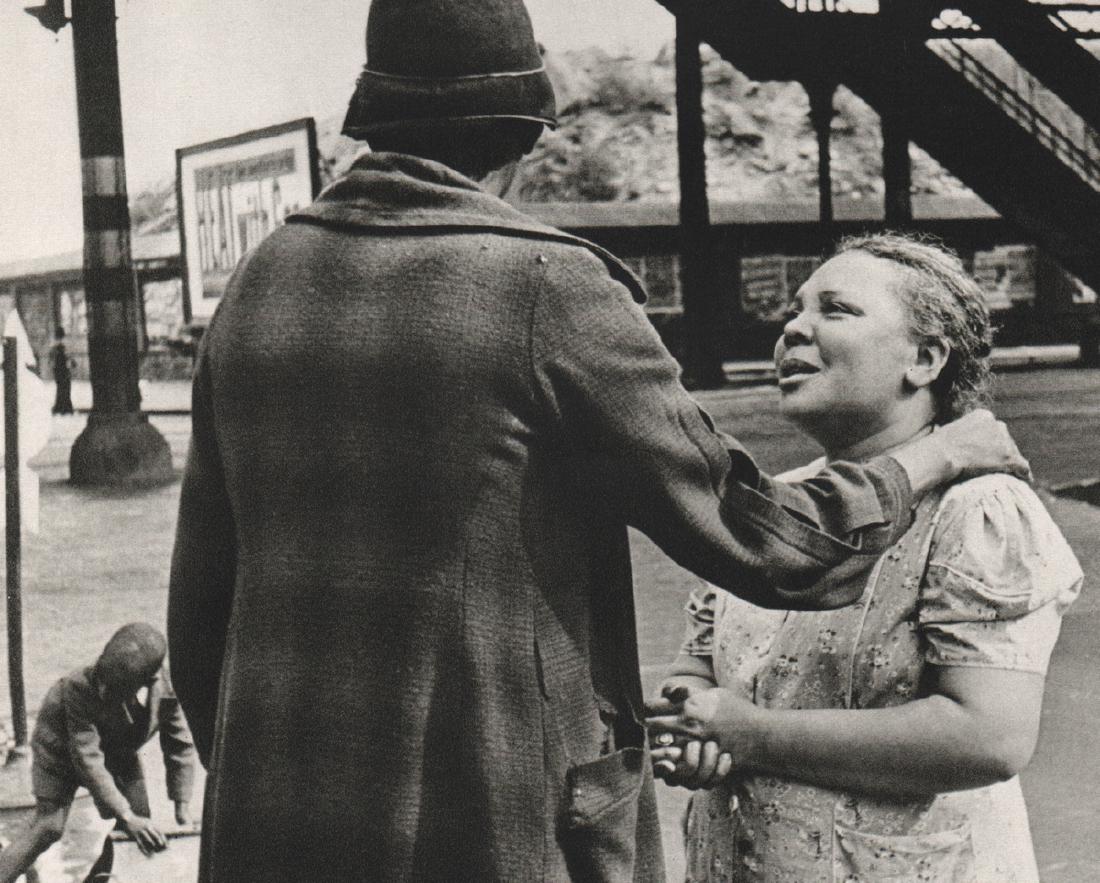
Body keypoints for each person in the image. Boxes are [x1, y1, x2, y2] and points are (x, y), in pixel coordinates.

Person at [166, 3, 1026, 879]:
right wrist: (938, 454)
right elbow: (766, 543)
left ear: (373, 116)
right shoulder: (546, 284)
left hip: (275, 830)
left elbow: (197, 612)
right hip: (491, 828)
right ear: (524, 133)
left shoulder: (260, 283)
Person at [648, 234, 1082, 882]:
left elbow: (989, 736)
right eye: (794, 310)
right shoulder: (779, 504)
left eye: (836, 310)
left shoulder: (975, 508)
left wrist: (748, 734)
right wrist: (691, 723)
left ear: (925, 358)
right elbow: (701, 661)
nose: (794, 329)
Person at [0, 623, 196, 883]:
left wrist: (182, 809)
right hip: (60, 750)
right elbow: (88, 758)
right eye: (101, 679)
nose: (102, 690)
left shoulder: (167, 686)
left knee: (139, 828)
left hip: (118, 751)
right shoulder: (77, 686)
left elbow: (179, 743)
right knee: (49, 827)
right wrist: (125, 814)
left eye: (114, 687)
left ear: (148, 681)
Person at [49, 328, 74, 416]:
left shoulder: (54, 347)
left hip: (58, 370)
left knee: (60, 388)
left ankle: (60, 407)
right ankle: (65, 408)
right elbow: (68, 358)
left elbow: (51, 359)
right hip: (64, 370)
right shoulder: (63, 346)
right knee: (65, 388)